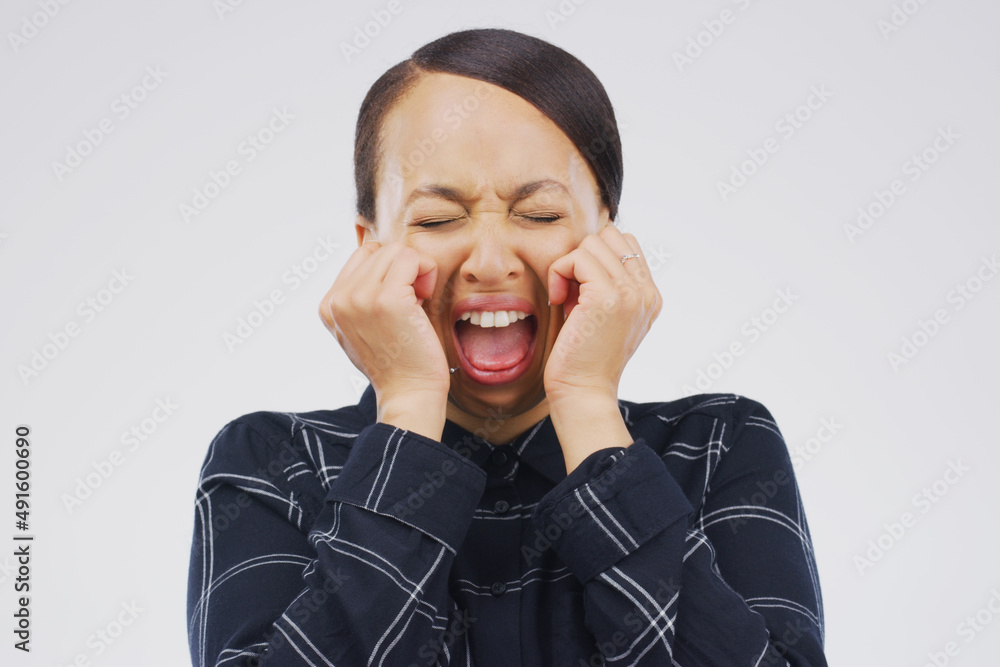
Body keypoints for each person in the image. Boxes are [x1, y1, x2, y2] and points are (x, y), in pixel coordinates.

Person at [187, 28, 827, 666]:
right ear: (370, 249)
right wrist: (410, 403)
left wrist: (586, 404)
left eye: (541, 214)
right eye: (437, 219)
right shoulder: (272, 463)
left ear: (607, 241)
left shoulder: (717, 445)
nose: (490, 263)